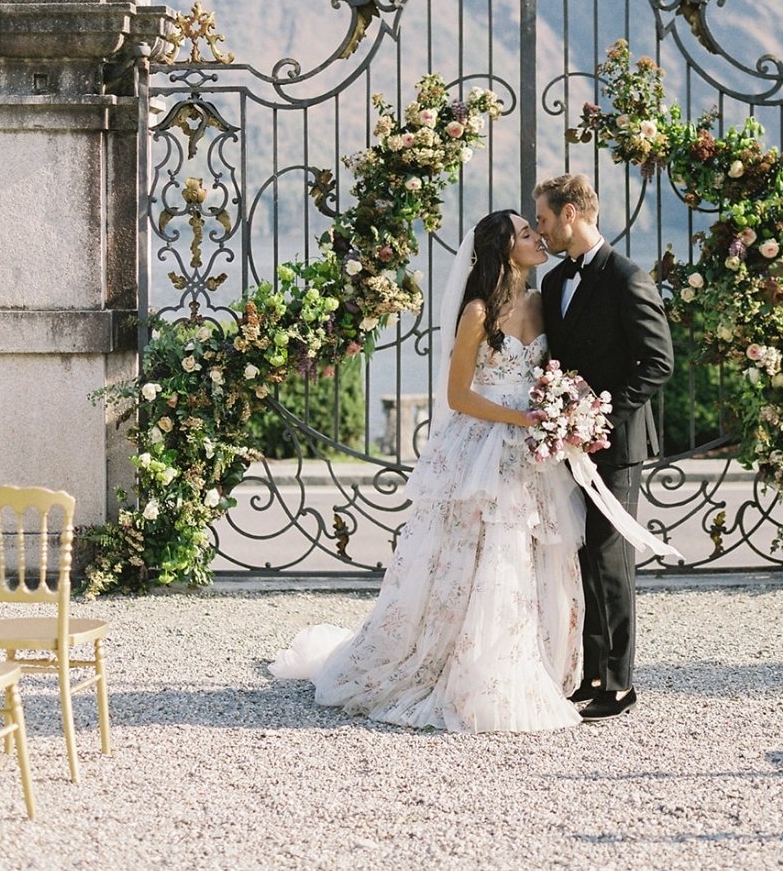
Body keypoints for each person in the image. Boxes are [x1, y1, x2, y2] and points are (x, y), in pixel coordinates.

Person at [269, 210, 586, 733]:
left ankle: (525, 662)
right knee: (472, 557)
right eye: (526, 233)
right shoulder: (478, 313)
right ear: (506, 249)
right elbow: (458, 396)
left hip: (533, 448)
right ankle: (461, 668)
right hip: (483, 445)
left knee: (528, 556)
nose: (538, 237)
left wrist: (557, 410)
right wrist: (520, 417)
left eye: (536, 229)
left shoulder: (543, 302)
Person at [535, 173, 674, 722]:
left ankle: (620, 683)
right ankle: (591, 673)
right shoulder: (551, 283)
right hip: (567, 442)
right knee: (581, 555)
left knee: (610, 558)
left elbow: (658, 362)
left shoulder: (626, 277)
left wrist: (598, 414)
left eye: (544, 218)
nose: (541, 229)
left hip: (614, 444)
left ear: (571, 213)